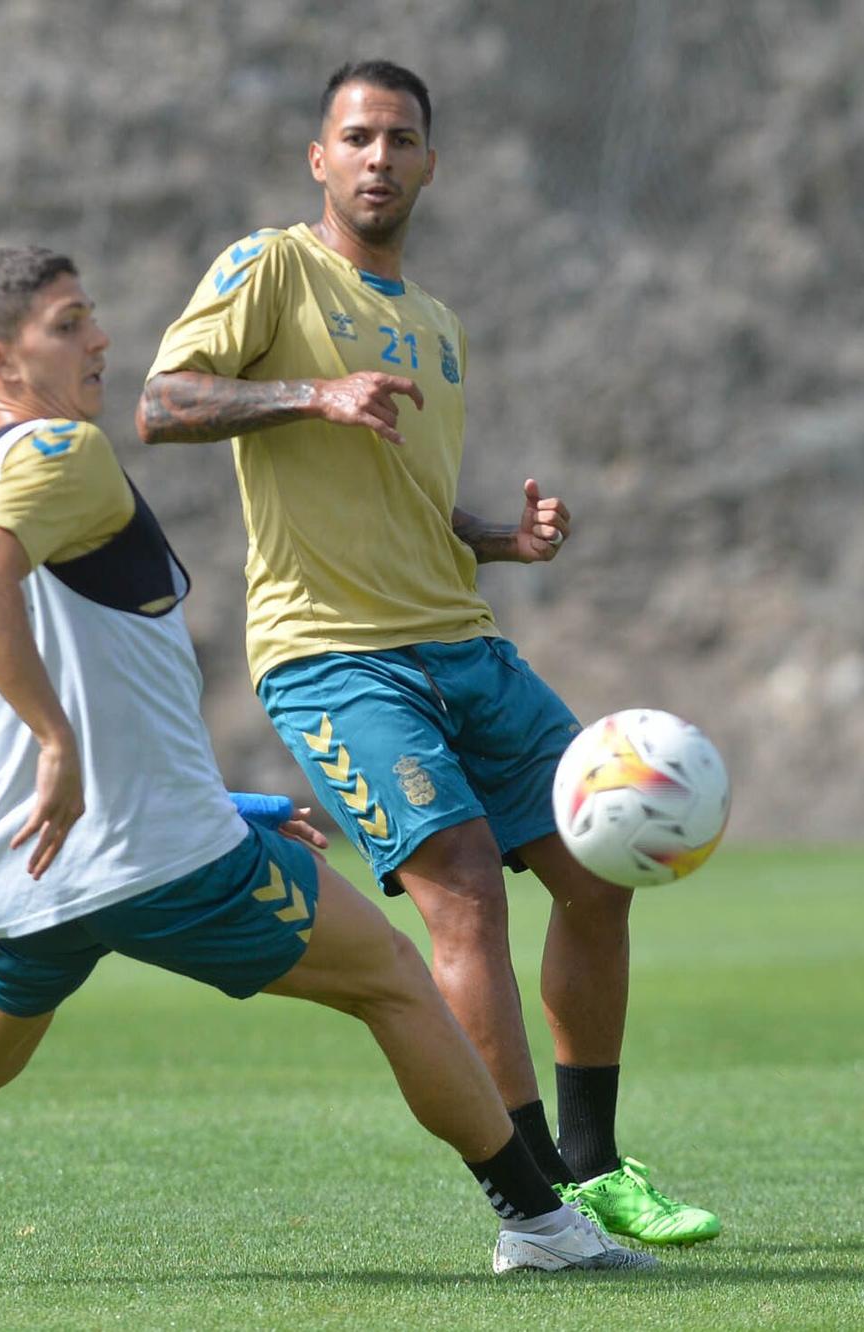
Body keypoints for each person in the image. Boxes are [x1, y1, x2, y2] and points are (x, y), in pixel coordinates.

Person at [0, 248, 655, 1296]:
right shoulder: (58, 454)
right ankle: (542, 1227)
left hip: (24, 873)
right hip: (145, 858)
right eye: (68, 322)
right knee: (393, 981)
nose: (100, 337)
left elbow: (50, 667)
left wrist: (216, 794)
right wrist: (58, 744)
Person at [136, 61, 719, 1246]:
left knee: (596, 876)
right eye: (355, 137)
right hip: (333, 659)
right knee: (459, 893)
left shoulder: (436, 327)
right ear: (318, 157)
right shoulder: (269, 266)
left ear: (429, 164)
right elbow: (160, 401)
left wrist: (497, 541)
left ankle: (593, 1164)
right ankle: (531, 1205)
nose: (377, 158)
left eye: (400, 140)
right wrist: (311, 393)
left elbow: (403, 501)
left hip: (463, 642)